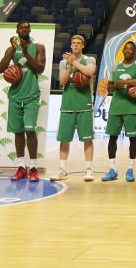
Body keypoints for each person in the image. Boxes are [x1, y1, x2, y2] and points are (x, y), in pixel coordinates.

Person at [0, 20, 46, 182]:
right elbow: (0, 68)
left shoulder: (38, 47)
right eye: (21, 28)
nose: (24, 30)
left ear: (30, 30)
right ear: (17, 31)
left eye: (27, 28)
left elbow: (40, 69)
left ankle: (33, 167)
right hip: (15, 95)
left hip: (32, 95)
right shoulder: (12, 49)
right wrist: (13, 51)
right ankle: (20, 166)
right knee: (18, 131)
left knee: (30, 130)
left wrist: (25, 53)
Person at [102, 39, 136, 183]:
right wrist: (116, 85)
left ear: (134, 52)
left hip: (132, 107)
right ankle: (112, 169)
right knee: (112, 138)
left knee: (132, 138)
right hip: (116, 106)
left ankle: (130, 169)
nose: (128, 51)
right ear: (123, 51)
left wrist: (128, 82)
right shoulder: (115, 67)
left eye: (131, 49)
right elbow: (109, 88)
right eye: (126, 49)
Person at [51, 35, 97, 182]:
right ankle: (62, 169)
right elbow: (63, 82)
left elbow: (90, 72)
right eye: (74, 43)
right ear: (71, 45)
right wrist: (70, 64)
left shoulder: (89, 59)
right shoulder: (63, 63)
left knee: (87, 139)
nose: (76, 45)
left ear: (83, 46)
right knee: (64, 140)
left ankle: (89, 169)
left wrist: (74, 62)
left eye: (79, 43)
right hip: (67, 105)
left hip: (85, 105)